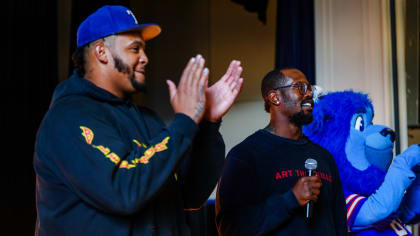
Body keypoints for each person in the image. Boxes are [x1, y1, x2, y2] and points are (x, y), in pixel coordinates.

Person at [33, 5, 243, 236]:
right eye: (135, 49)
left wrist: (207, 125)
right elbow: (125, 191)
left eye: (144, 49)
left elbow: (190, 195)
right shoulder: (68, 118)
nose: (145, 58)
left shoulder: (147, 119)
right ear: (101, 52)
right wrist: (184, 121)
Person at [215, 68, 347, 235]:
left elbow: (340, 224)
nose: (309, 95)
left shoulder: (325, 158)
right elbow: (229, 228)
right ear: (275, 97)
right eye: (300, 87)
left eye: (310, 89)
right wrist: (290, 199)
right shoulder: (245, 155)